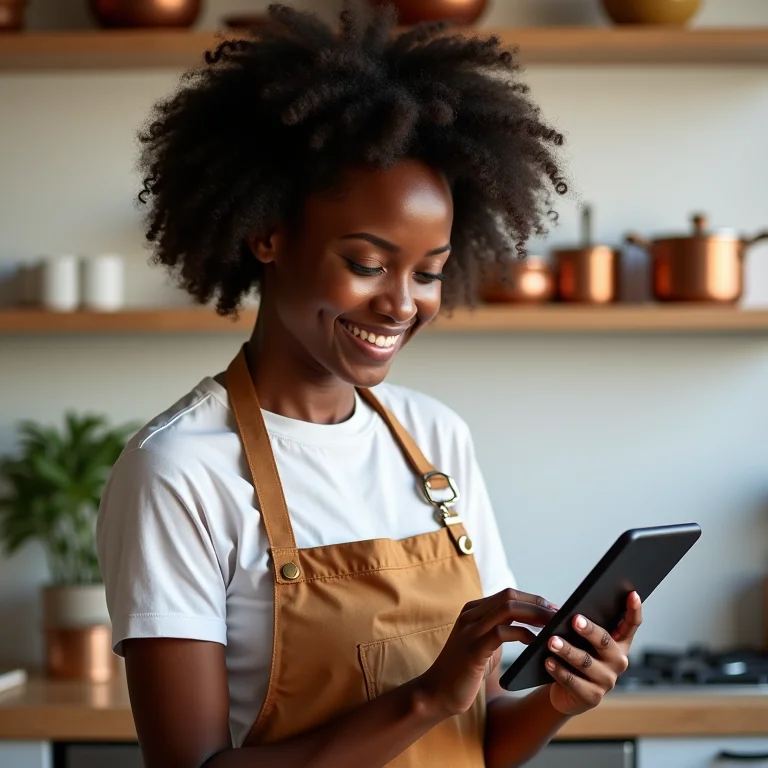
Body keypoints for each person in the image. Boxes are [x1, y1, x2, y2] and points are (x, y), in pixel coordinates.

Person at [96, 3, 642, 767]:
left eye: (429, 272)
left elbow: (476, 740)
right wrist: (425, 696)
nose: (400, 303)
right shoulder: (181, 470)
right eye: (365, 263)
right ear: (267, 234)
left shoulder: (435, 438)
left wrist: (557, 699)